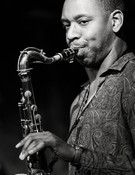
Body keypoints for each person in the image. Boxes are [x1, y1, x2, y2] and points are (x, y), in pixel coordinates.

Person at [16, 0, 135, 174]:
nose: (70, 34)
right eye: (66, 25)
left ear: (115, 21)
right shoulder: (79, 101)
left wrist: (75, 154)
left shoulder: (131, 77)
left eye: (83, 22)